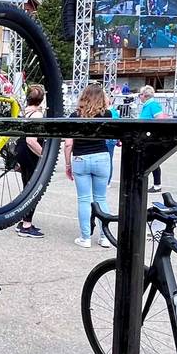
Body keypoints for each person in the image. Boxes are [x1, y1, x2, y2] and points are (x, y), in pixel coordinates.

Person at [62, 84, 113, 249]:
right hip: (101, 157)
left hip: (81, 158)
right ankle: (105, 237)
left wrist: (68, 164)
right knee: (101, 198)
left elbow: (68, 144)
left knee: (84, 199)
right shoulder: (107, 114)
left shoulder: (74, 115)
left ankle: (85, 238)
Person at [13, 84, 46, 238]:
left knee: (26, 186)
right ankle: (26, 224)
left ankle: (23, 219)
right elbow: (31, 141)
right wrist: (44, 154)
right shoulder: (37, 116)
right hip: (30, 153)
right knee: (33, 188)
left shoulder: (24, 112)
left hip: (21, 153)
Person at [136, 85, 164, 190]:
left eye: (140, 95)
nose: (140, 97)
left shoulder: (153, 105)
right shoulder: (147, 105)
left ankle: (157, 184)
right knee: (148, 161)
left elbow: (160, 120)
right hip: (145, 138)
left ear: (145, 95)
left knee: (153, 161)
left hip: (151, 138)